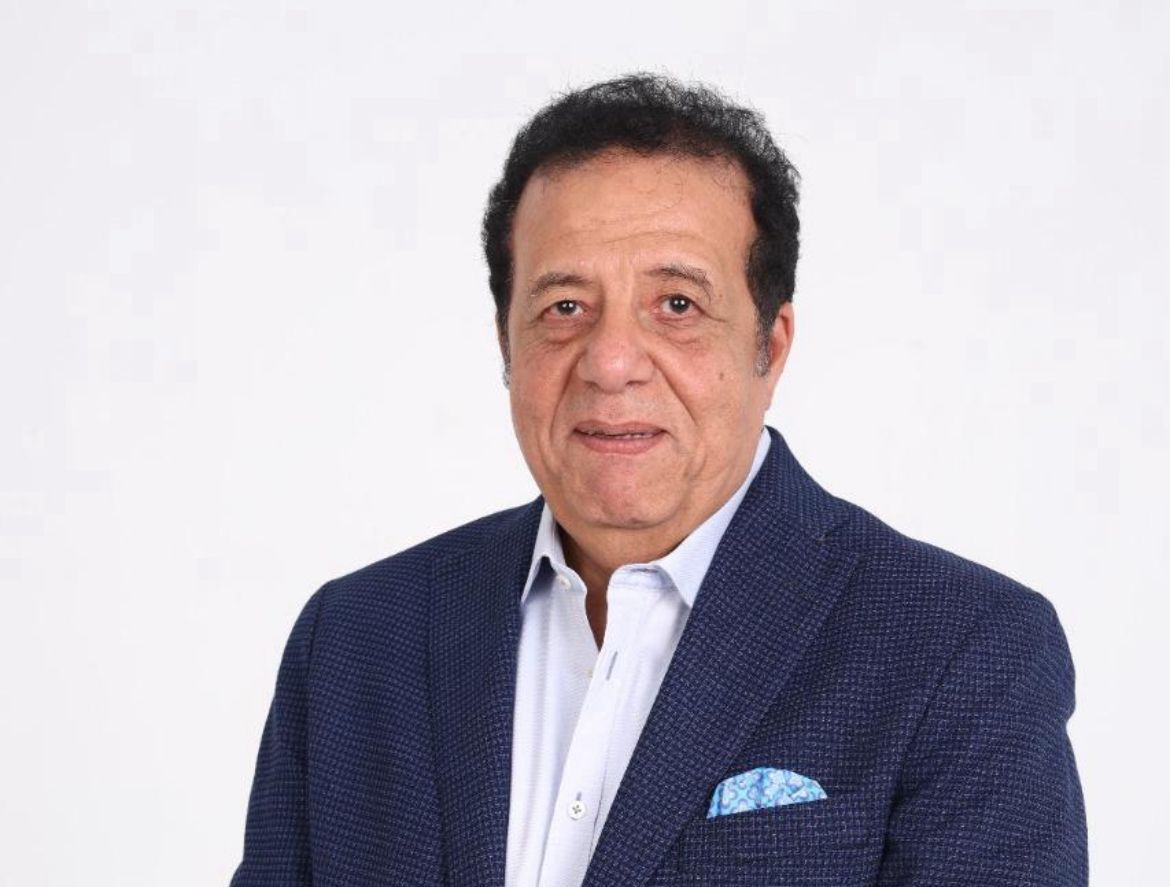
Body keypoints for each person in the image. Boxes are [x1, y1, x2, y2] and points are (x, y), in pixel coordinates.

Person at [229, 74, 1088, 887]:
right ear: (505, 343)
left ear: (770, 345)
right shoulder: (355, 640)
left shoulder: (961, 651)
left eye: (677, 304)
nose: (611, 362)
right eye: (564, 307)